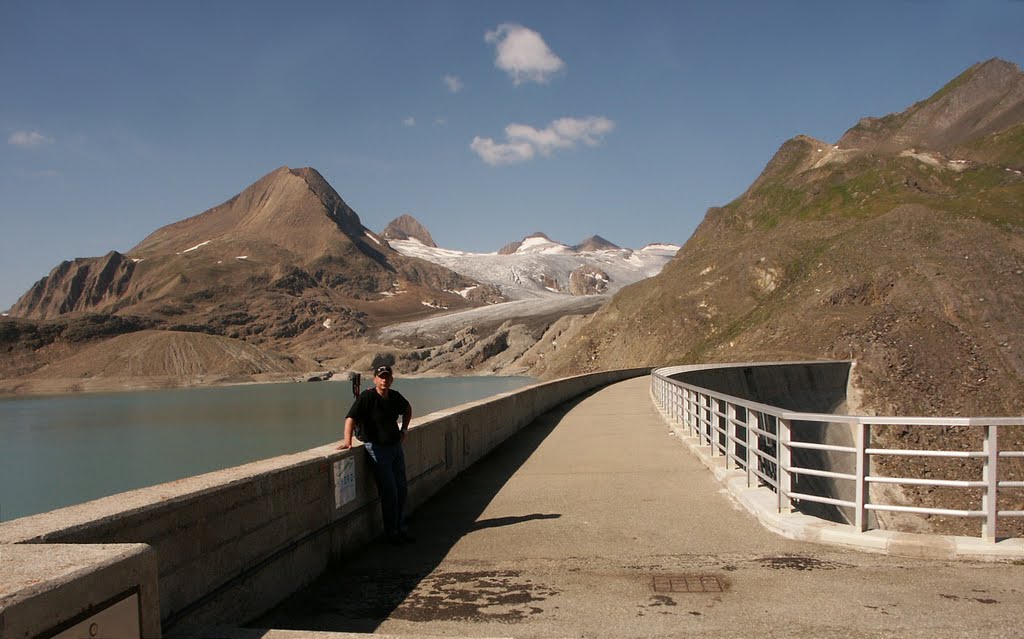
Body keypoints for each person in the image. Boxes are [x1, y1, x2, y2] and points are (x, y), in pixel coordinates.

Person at [340, 364, 414, 544]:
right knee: (389, 491)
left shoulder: (394, 397)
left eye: (387, 377)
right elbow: (350, 418)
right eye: (381, 377)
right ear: (374, 379)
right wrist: (347, 441)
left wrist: (404, 430)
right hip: (377, 450)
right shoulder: (367, 397)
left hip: (395, 448)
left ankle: (401, 528)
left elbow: (407, 409)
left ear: (391, 379)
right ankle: (392, 533)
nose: (384, 380)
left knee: (401, 490)